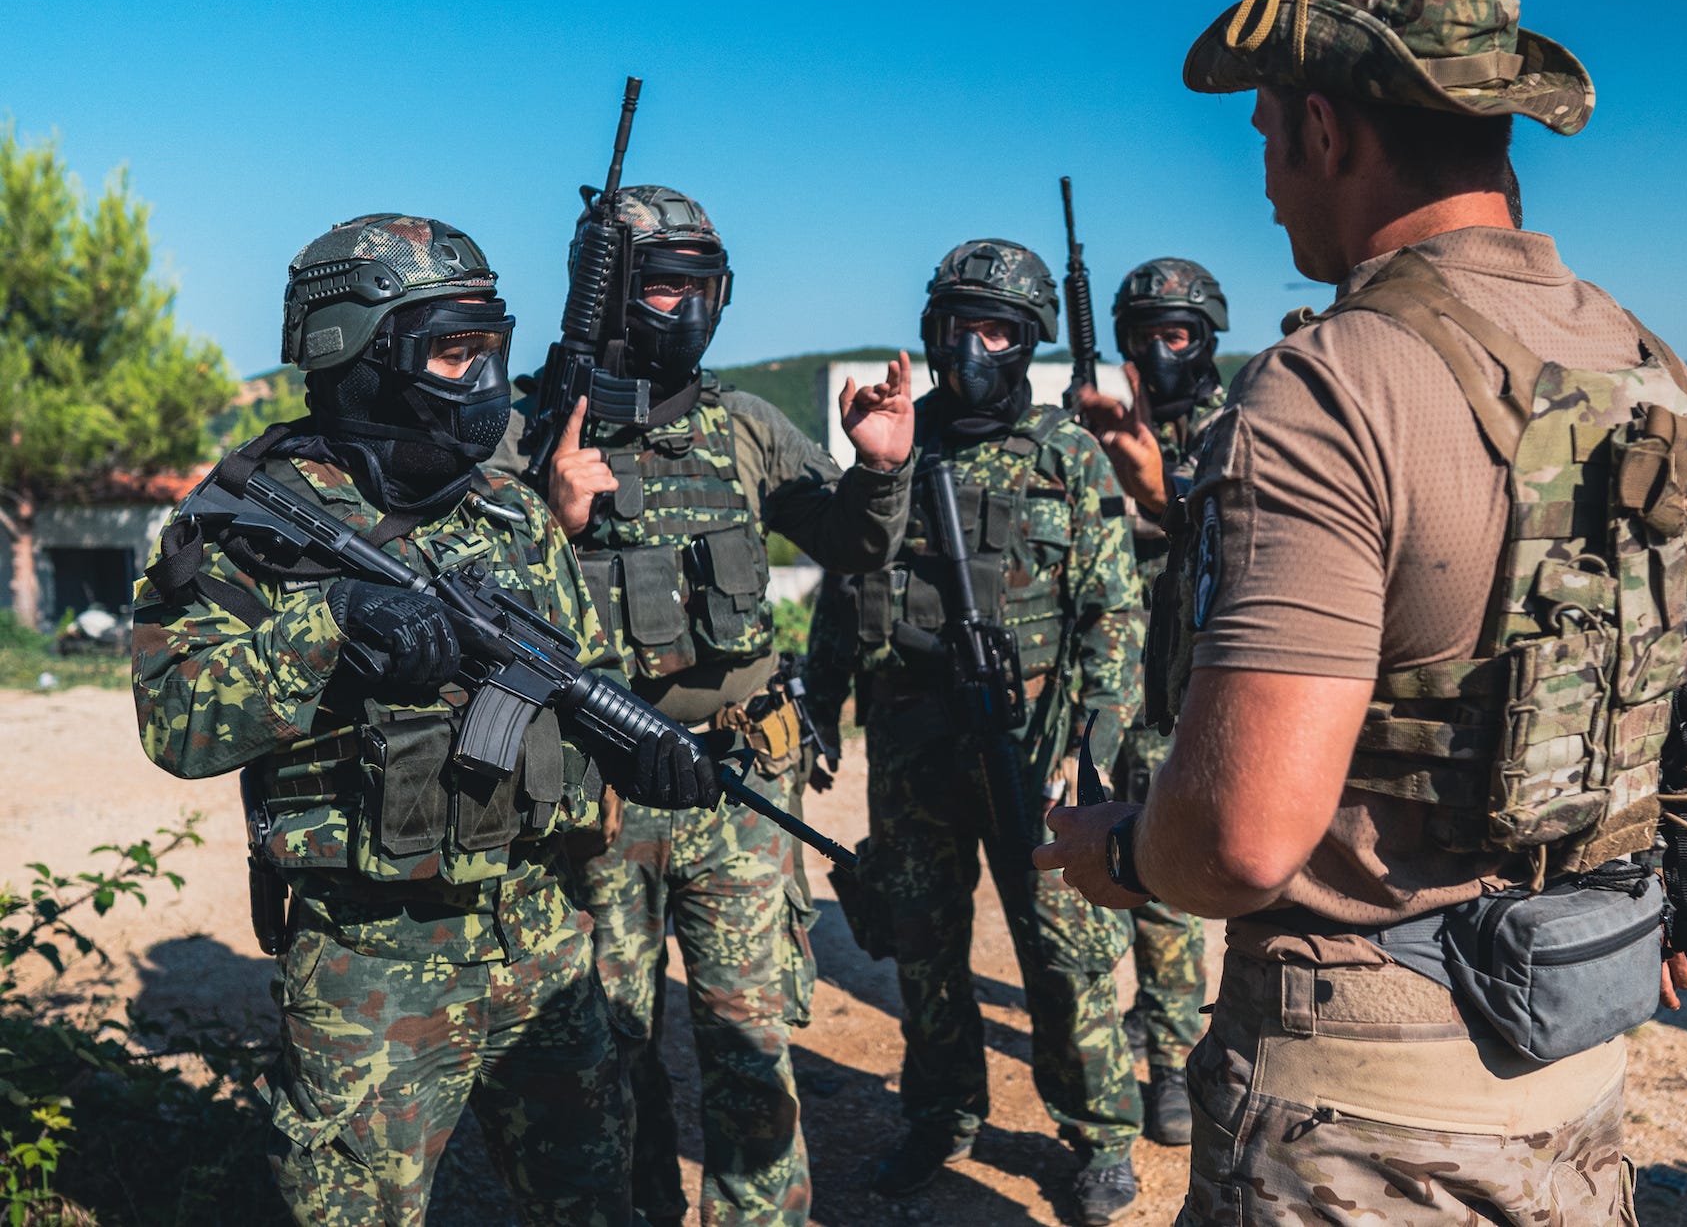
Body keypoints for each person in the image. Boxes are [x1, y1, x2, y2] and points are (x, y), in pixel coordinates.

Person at [1037, 0, 1687, 1226]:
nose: (1259, 184)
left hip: (1357, 1118)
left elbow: (1245, 835)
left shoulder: (1327, 386)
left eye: (1262, 135)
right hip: (1570, 1072)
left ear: (1323, 128)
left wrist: (1126, 847)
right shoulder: (1652, 370)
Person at [132, 213, 719, 1225]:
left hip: (542, 939)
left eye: (491, 347)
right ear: (359, 353)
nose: (485, 379)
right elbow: (177, 722)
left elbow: (576, 684)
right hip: (372, 960)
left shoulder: (510, 510)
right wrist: (332, 625)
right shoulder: (239, 519)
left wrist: (643, 753)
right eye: (453, 351)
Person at [493, 185, 914, 1226]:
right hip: (593, 797)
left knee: (748, 1037)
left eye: (699, 287)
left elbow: (856, 546)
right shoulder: (523, 431)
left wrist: (879, 470)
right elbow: (474, 610)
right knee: (605, 1043)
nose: (683, 308)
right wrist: (551, 515)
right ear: (607, 293)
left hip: (735, 786)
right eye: (661, 285)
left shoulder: (746, 428)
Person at [802, 239, 1146, 1224]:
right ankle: (941, 1114)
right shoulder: (896, 449)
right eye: (955, 325)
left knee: (1061, 945)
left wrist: (1096, 738)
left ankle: (1097, 1133)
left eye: (994, 329)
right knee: (922, 943)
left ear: (1027, 340)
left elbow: (1112, 611)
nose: (970, 347)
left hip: (1027, 736)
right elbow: (848, 580)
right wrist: (823, 697)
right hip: (913, 738)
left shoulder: (1062, 454)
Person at [1073, 257, 1232, 1146]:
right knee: (1094, 856)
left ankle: (1172, 1060)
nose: (1157, 355)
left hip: (1182, 688)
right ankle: (1113, 1043)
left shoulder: (1237, 429)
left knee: (1165, 869)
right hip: (1099, 686)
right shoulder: (1085, 430)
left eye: (1174, 336)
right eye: (1141, 339)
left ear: (1205, 339)